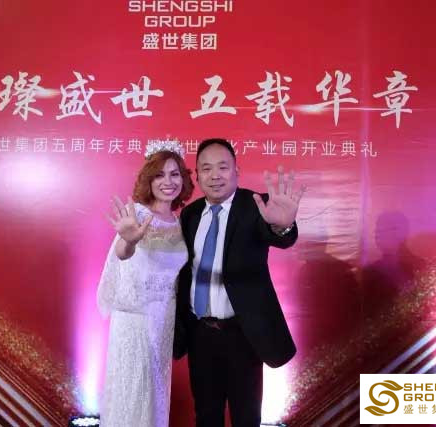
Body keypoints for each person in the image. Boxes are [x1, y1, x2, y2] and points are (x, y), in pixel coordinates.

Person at [173, 138, 305, 427]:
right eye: (206, 168)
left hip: (243, 334)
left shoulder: (255, 206)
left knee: (246, 418)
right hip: (200, 334)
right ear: (197, 176)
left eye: (223, 167)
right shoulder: (190, 214)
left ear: (237, 171)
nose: (215, 175)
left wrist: (281, 226)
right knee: (206, 416)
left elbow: (281, 236)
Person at [97, 139, 194, 427]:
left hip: (164, 321)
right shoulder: (137, 215)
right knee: (132, 396)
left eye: (175, 174)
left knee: (155, 398)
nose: (168, 182)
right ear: (148, 180)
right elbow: (122, 253)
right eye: (159, 175)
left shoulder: (179, 221)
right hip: (135, 321)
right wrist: (128, 241)